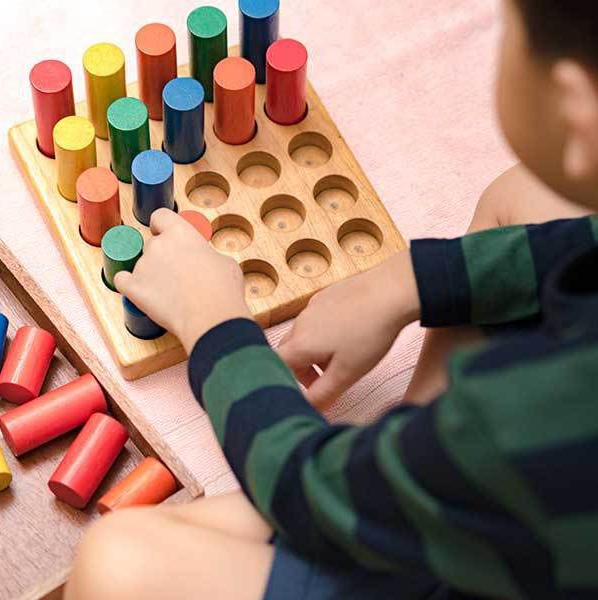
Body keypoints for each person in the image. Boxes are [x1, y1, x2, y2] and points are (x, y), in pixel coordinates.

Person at [66, 1, 598, 598]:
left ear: (576, 105)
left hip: (487, 538)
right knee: (526, 196)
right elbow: (576, 244)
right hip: (521, 508)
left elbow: (310, 491)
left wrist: (213, 322)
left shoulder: (536, 420)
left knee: (118, 561)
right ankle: (412, 452)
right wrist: (406, 281)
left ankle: (409, 471)